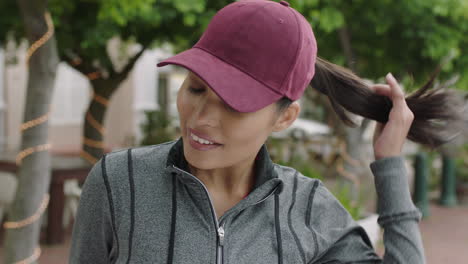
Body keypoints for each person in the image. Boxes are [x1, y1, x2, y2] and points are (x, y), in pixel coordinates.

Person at [69, 1, 462, 263]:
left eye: (233, 103)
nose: (201, 117)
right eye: (196, 88)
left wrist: (390, 166)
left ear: (285, 117)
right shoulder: (118, 182)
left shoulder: (311, 210)